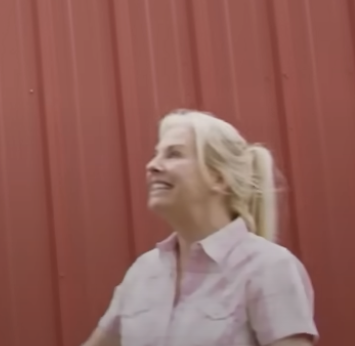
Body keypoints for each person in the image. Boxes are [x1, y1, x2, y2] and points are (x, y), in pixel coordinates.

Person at [79, 109, 317, 346]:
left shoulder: (269, 268)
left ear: (218, 178)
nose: (152, 165)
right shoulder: (142, 273)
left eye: (174, 154)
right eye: (156, 154)